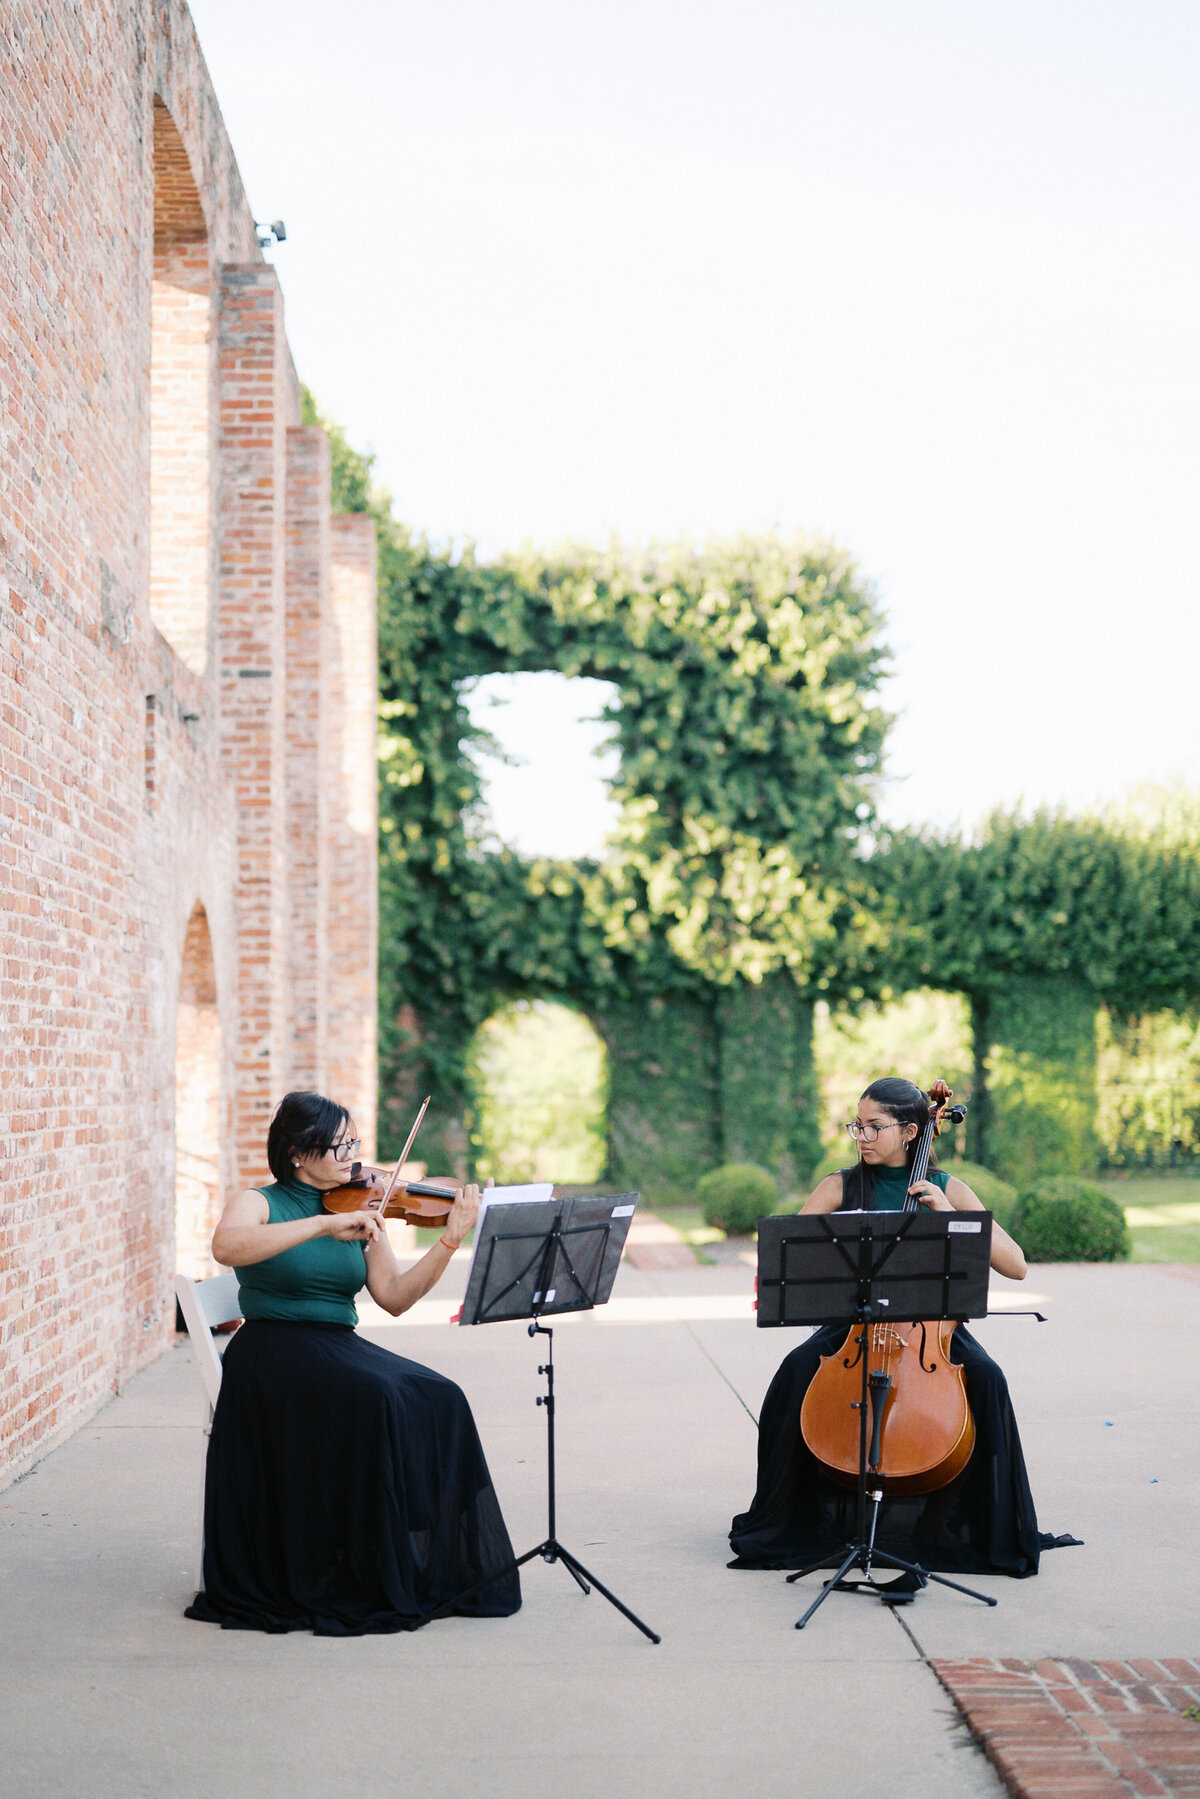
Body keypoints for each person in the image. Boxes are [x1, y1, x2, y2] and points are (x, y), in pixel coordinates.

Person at [185, 1091, 521, 1634]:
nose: (352, 1156)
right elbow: (228, 1248)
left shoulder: (361, 1204)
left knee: (441, 1395)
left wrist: (449, 1242)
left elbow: (393, 1296)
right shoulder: (259, 1201)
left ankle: (404, 1559)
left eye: (353, 1142)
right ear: (297, 1152)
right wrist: (320, 1226)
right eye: (338, 1145)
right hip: (273, 1350)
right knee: (380, 1396)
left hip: (336, 1346)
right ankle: (353, 1564)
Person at [729, 1076, 1057, 1580]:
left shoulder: (949, 1188)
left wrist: (949, 1215)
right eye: (856, 1125)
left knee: (988, 1379)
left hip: (930, 1332)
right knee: (795, 1372)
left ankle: (956, 1526)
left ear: (910, 1131)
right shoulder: (838, 1186)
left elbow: (1016, 1266)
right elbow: (787, 1256)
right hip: (852, 1328)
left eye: (873, 1127)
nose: (860, 1136)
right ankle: (789, 1522)